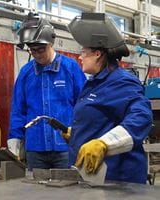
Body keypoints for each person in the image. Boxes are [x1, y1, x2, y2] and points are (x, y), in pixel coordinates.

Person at [67, 13, 153, 184]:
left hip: (118, 180)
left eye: (83, 52)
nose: (79, 56)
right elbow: (100, 117)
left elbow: (142, 117)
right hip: (93, 177)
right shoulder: (95, 82)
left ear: (97, 53)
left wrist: (105, 144)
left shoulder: (121, 81)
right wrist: (78, 132)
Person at [7, 13, 86, 170]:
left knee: (67, 191)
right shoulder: (26, 73)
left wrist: (84, 136)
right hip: (35, 149)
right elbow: (18, 110)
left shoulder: (70, 68)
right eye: (32, 50)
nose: (36, 54)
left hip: (65, 147)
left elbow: (83, 105)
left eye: (41, 49)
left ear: (51, 43)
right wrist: (14, 140)